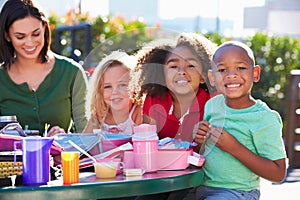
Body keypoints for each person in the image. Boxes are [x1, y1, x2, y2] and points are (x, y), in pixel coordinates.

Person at [192, 41, 287, 199]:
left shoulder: (264, 118)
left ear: (255, 74)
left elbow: (278, 173)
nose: (231, 75)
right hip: (202, 187)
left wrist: (234, 148)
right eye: (222, 70)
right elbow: (206, 152)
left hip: (239, 192)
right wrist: (200, 138)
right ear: (212, 77)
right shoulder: (212, 105)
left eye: (241, 68)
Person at [0, 0, 88, 136]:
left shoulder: (71, 72)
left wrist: (65, 138)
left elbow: (87, 133)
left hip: (61, 157)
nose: (30, 43)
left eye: (36, 34)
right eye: (20, 36)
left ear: (44, 27)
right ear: (7, 36)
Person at [135, 32, 216, 144]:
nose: (181, 72)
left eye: (191, 65)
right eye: (173, 66)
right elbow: (148, 143)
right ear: (162, 75)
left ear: (203, 76)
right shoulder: (153, 100)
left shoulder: (214, 103)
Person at [83, 50, 143, 136]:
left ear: (135, 85)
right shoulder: (100, 115)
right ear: (99, 91)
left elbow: (143, 143)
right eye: (108, 86)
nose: (115, 92)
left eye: (122, 85)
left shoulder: (137, 112)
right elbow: (84, 142)